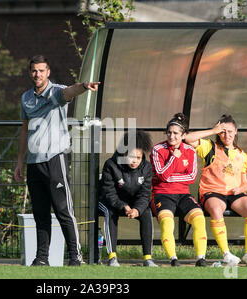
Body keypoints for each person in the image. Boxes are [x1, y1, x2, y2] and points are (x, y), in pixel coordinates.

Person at [14, 55, 100, 266]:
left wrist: (84, 86)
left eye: (42, 70)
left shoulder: (56, 91)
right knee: (40, 213)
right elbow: (24, 130)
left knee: (63, 210)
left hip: (55, 160)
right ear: (30, 73)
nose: (38, 74)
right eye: (34, 71)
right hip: (34, 164)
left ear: (48, 72)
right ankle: (42, 258)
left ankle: (75, 256)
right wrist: (19, 161)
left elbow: (69, 91)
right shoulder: (26, 98)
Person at [185, 114, 247, 267]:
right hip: (212, 191)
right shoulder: (210, 147)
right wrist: (213, 130)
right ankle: (226, 253)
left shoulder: (242, 155)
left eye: (230, 131)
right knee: (216, 209)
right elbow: (188, 138)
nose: (227, 135)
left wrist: (242, 189)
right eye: (223, 131)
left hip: (234, 193)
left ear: (236, 131)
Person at [150, 113, 207, 267]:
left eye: (176, 133)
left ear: (183, 135)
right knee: (167, 222)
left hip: (183, 194)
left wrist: (170, 176)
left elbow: (191, 177)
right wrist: (174, 158)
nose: (172, 136)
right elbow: (162, 176)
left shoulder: (190, 150)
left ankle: (200, 258)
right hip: (162, 194)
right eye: (169, 132)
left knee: (199, 219)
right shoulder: (157, 149)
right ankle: (173, 259)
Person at [98, 130, 157, 267]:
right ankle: (112, 257)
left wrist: (137, 209)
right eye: (131, 156)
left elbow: (145, 194)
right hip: (110, 201)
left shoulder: (147, 168)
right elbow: (108, 193)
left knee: (146, 212)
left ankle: (148, 258)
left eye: (138, 157)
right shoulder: (111, 165)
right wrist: (123, 206)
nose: (134, 161)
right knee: (110, 213)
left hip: (133, 204)